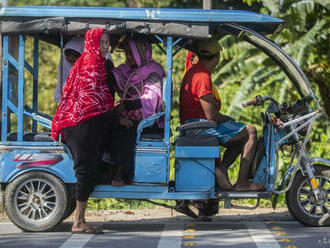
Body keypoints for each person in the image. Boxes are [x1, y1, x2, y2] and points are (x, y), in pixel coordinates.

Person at [51, 28, 123, 234]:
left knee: (91, 166)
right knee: (84, 169)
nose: (105, 46)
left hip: (91, 121)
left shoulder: (99, 63)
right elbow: (88, 99)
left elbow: (101, 97)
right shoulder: (89, 64)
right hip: (81, 122)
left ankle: (81, 219)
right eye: (101, 43)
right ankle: (78, 222)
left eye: (107, 43)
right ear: (91, 43)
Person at [179, 39, 264, 191]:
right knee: (250, 131)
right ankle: (242, 182)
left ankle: (222, 169)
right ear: (216, 57)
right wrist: (228, 119)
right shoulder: (202, 76)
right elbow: (211, 116)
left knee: (240, 133)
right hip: (200, 127)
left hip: (194, 124)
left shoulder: (194, 72)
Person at [110, 36, 165, 186]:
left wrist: (126, 106)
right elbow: (114, 76)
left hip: (150, 116)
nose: (128, 58)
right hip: (129, 110)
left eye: (131, 53)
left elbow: (152, 100)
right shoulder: (127, 70)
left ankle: (120, 171)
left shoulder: (154, 71)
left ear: (141, 53)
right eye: (127, 53)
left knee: (125, 129)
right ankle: (105, 167)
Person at [54, 37, 84, 103]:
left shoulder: (89, 68)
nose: (71, 58)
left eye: (75, 56)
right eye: (69, 55)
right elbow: (61, 82)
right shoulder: (64, 64)